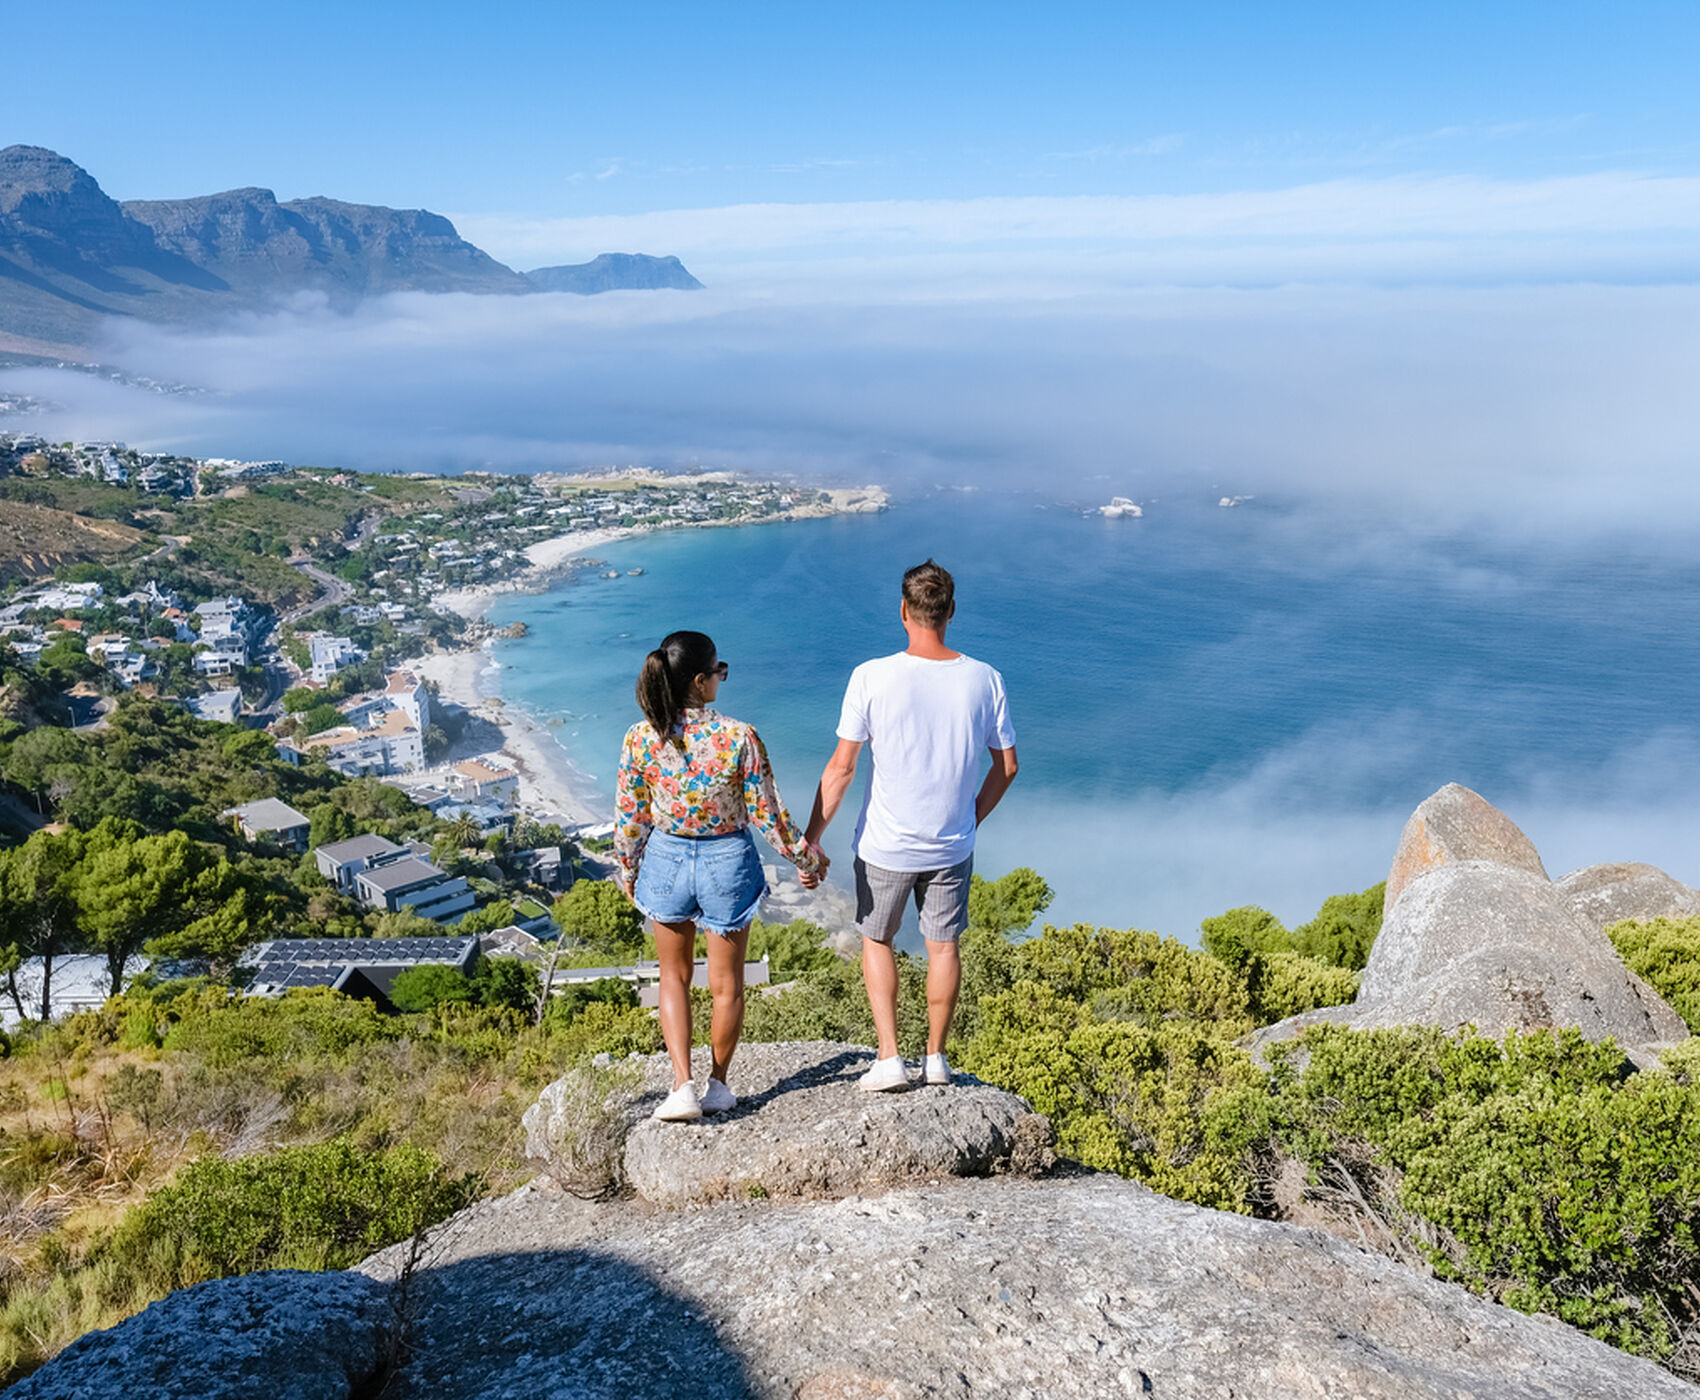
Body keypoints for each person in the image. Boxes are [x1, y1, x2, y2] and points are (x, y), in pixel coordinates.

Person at [804, 560, 1017, 1091]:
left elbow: (842, 768)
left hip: (885, 845)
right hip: (951, 844)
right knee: (943, 946)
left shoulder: (871, 676)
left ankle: (889, 1058)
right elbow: (1007, 766)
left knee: (878, 941)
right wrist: (969, 817)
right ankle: (937, 1059)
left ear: (903, 611)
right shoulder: (985, 679)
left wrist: (811, 838)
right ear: (951, 612)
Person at [615, 629, 826, 1122]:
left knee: (674, 977)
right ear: (700, 680)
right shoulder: (739, 736)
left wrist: (627, 868)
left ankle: (681, 1086)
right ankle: (719, 1086)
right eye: (720, 672)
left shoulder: (641, 736)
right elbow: (768, 815)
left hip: (665, 859)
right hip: (726, 861)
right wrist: (807, 862)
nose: (721, 679)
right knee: (726, 985)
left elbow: (631, 817)